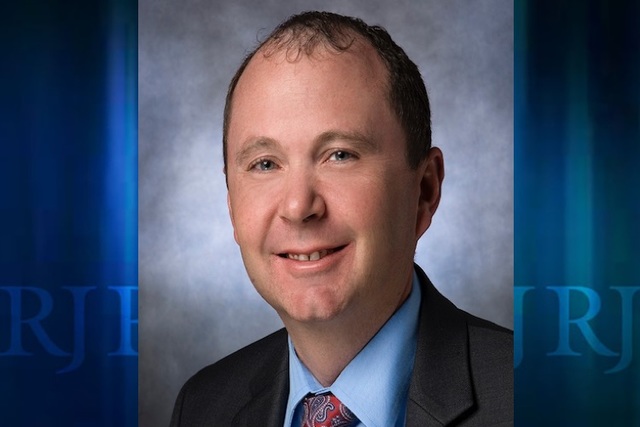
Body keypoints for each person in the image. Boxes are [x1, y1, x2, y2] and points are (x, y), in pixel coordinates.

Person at [171, 11, 512, 427]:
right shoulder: (203, 406)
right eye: (265, 163)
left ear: (424, 191)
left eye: (340, 155)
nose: (298, 207)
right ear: (232, 206)